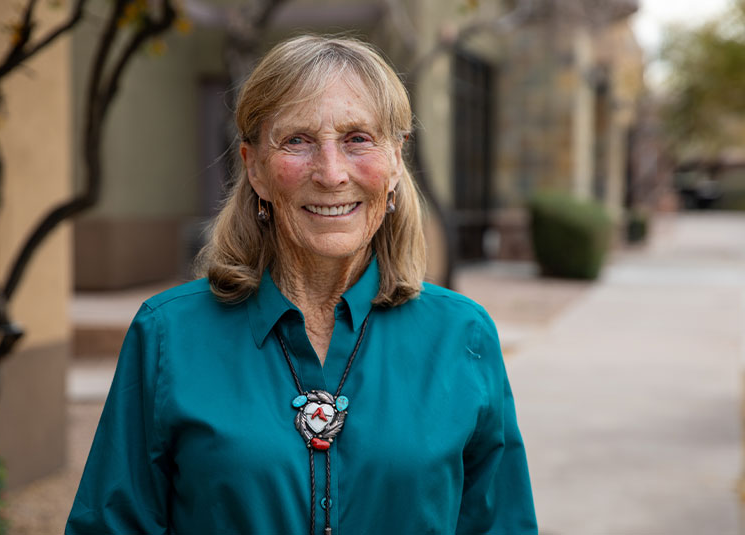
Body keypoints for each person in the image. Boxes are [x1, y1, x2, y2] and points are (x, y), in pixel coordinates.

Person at [65, 35, 536, 535]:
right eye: (297, 141)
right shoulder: (168, 336)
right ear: (255, 169)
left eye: (358, 138)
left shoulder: (463, 336)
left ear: (396, 162)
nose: (331, 174)